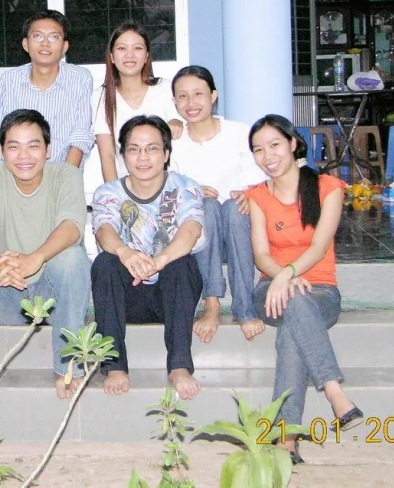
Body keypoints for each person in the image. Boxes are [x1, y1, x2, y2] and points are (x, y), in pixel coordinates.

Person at [246, 114, 363, 464]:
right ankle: (333, 389)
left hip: (321, 292)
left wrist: (290, 275)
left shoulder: (328, 188)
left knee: (291, 332)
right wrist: (282, 277)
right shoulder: (256, 196)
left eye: (274, 145)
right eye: (258, 149)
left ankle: (286, 438)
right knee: (292, 302)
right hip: (269, 291)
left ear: (294, 144)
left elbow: (319, 246)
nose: (267, 155)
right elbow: (260, 255)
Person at [0, 109, 90, 399]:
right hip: (3, 293)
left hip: (53, 300)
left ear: (48, 149)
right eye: (14, 146)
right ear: (2, 151)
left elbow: (71, 226)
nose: (24, 155)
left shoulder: (66, 174)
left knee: (72, 257)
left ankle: (66, 366)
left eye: (33, 145)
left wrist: (34, 259)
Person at [91, 114, 205, 400]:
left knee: (183, 263)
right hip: (128, 296)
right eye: (134, 149)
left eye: (152, 149)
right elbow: (104, 231)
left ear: (166, 154)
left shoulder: (185, 186)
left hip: (172, 294)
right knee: (105, 263)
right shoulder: (108, 192)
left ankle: (179, 366)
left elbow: (190, 231)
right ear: (123, 155)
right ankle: (114, 365)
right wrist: (125, 252)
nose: (143, 157)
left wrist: (159, 261)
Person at [168, 65, 267, 344]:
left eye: (198, 93)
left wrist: (251, 193)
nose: (191, 103)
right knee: (206, 206)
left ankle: (244, 306)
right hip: (200, 233)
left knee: (234, 210)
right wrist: (192, 191)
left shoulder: (239, 133)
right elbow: (168, 186)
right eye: (183, 96)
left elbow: (259, 177)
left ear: (214, 95)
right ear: (174, 102)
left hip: (240, 225)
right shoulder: (173, 143)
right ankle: (212, 304)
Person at [0, 10, 93, 168]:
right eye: (37, 36)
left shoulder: (80, 78)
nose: (45, 43)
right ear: (25, 44)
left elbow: (80, 136)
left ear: (64, 46)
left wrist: (64, 180)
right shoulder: (10, 80)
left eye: (54, 37)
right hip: (18, 175)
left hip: (61, 173)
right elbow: (1, 136)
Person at [93, 21, 183, 183]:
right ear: (112, 57)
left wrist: (178, 121)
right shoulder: (100, 96)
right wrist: (115, 197)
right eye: (122, 48)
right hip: (127, 187)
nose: (130, 55)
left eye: (137, 48)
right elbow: (106, 155)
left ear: (147, 56)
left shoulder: (166, 88)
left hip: (169, 186)